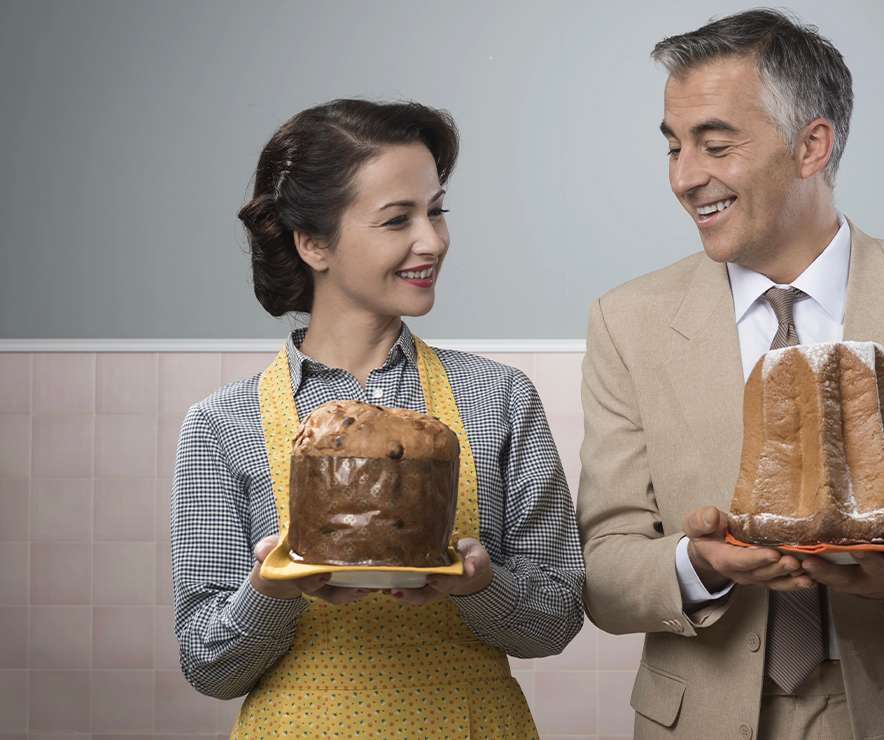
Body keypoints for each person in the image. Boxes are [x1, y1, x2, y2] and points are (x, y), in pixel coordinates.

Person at [576, 10, 884, 739]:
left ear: (811, 146)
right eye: (673, 147)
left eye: (715, 144)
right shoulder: (626, 322)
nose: (683, 177)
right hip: (698, 719)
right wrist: (696, 565)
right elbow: (604, 568)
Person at [170, 98, 584, 738]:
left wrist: (478, 585)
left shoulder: (498, 397)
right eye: (398, 220)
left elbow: (556, 619)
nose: (434, 240)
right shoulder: (223, 425)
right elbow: (208, 667)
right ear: (313, 243)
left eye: (437, 211)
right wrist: (272, 588)